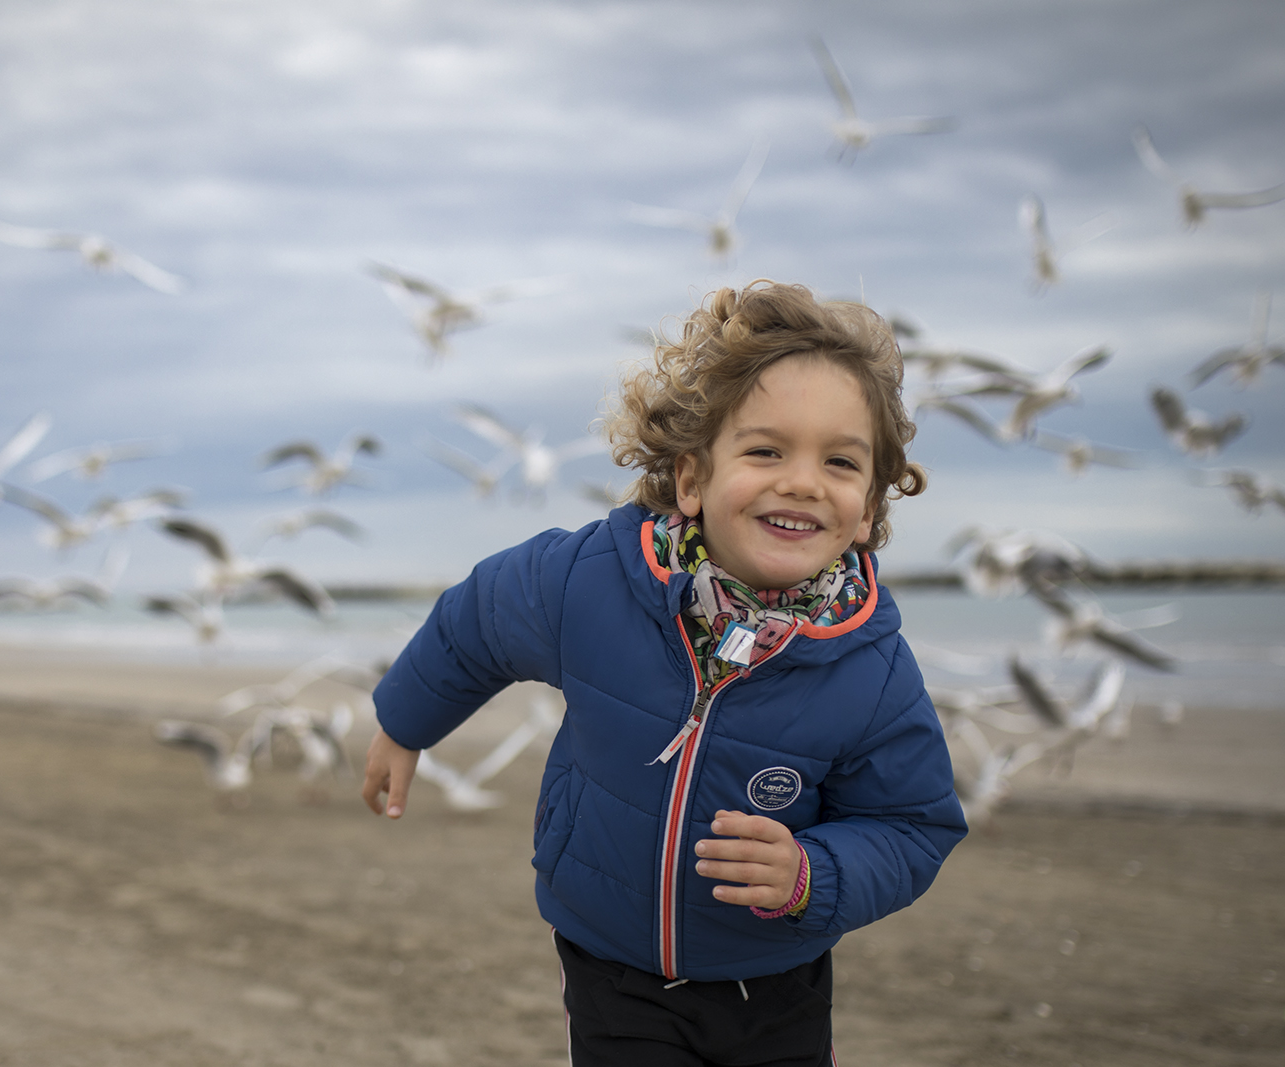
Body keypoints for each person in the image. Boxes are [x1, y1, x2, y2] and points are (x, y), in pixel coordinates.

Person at [362, 281, 967, 1066]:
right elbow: (479, 619)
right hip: (613, 963)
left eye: (841, 461)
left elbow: (913, 825)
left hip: (774, 977)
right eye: (765, 450)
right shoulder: (592, 580)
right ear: (691, 479)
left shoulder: (871, 667)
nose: (804, 480)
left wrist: (811, 874)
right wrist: (406, 720)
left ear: (866, 505)